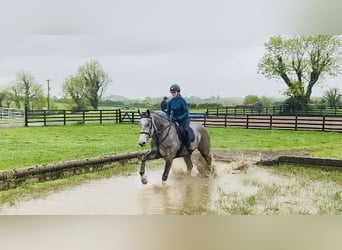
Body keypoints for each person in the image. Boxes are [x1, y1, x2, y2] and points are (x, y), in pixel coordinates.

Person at [166, 83, 192, 151]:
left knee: (185, 130)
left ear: (178, 92)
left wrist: (178, 118)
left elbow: (186, 113)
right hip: (174, 120)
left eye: (174, 92)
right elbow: (167, 113)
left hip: (184, 119)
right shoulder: (170, 102)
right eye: (172, 92)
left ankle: (189, 145)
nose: (173, 94)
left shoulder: (182, 101)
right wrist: (170, 118)